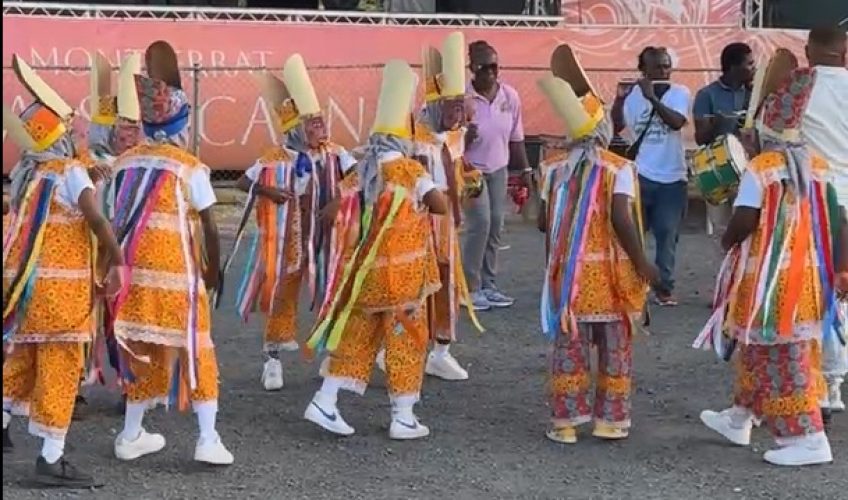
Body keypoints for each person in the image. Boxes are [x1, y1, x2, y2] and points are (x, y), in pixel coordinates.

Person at [696, 64, 846, 466]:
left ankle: (808, 439)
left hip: (771, 283)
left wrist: (725, 241)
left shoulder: (761, 169)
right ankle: (740, 417)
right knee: (758, 349)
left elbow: (745, 220)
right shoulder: (816, 166)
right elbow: (837, 220)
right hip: (807, 279)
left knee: (785, 358)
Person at [303, 59, 447, 440]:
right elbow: (441, 205)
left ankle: (326, 400)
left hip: (366, 277)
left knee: (357, 338)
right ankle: (403, 416)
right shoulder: (410, 171)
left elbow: (332, 209)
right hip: (403, 281)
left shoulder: (361, 171)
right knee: (407, 341)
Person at [2, 55, 126, 487]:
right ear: (59, 138)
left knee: (22, 362)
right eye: (73, 131)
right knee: (58, 370)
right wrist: (117, 256)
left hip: (31, 293)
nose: (79, 137)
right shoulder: (70, 172)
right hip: (64, 298)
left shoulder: (30, 174)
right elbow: (94, 217)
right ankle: (51, 458)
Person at [107, 40, 233, 465]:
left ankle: (130, 434)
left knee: (147, 351)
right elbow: (211, 225)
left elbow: (114, 219)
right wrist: (214, 272)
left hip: (136, 281)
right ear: (181, 120)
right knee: (197, 350)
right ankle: (207, 438)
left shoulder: (125, 163)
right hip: (180, 280)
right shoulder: (189, 166)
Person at [537, 59, 657, 444]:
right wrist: (643, 264)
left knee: (569, 349)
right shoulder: (617, 168)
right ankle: (610, 421)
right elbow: (622, 218)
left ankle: (567, 423)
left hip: (570, 279)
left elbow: (544, 223)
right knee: (614, 347)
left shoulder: (554, 168)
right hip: (611, 278)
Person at [231, 54, 356, 392]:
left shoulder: (336, 153)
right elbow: (244, 182)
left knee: (332, 288)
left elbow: (361, 176)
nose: (321, 127)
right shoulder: (276, 157)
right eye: (313, 124)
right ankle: (272, 359)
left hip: (328, 235)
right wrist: (267, 189)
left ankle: (332, 354)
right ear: (297, 130)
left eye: (320, 121)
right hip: (290, 238)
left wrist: (337, 199)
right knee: (282, 292)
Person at [81, 52, 143, 415]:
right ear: (110, 128)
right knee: (88, 315)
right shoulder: (90, 161)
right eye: (123, 126)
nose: (129, 133)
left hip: (130, 251)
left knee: (125, 316)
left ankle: (128, 384)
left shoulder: (145, 161)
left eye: (135, 127)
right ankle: (76, 386)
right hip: (92, 251)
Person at [612, 46, 690, 307]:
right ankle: (630, 283)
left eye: (667, 66)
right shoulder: (633, 96)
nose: (664, 71)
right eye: (657, 67)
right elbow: (617, 125)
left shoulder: (679, 93)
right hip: (641, 173)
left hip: (673, 176)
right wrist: (621, 99)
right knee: (633, 232)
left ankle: (663, 287)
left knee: (667, 233)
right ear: (643, 69)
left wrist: (653, 98)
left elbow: (676, 122)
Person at [800, 25, 848, 415]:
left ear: (807, 51)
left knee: (820, 293)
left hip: (814, 205)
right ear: (845, 53)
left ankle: (825, 385)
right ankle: (833, 384)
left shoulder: (798, 89)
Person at [462, 40, 530, 311]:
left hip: (499, 168)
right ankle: (471, 287)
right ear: (472, 68)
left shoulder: (509, 96)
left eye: (494, 66)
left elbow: (517, 137)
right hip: (470, 171)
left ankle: (489, 285)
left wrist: (524, 170)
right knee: (480, 224)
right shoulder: (462, 97)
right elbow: (444, 139)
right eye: (484, 67)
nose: (490, 72)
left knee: (495, 226)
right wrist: (464, 138)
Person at [692, 42, 756, 244]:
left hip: (749, 172)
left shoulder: (754, 95)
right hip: (719, 172)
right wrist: (718, 123)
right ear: (733, 67)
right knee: (722, 233)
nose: (754, 68)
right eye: (749, 64)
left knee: (749, 232)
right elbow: (700, 138)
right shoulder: (707, 95)